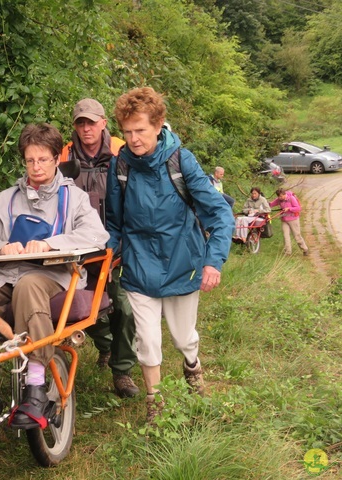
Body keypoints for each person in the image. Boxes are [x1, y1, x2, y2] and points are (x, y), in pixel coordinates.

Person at [0, 123, 109, 432]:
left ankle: (36, 387)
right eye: (29, 160)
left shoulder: (74, 198)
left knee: (28, 285)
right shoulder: (5, 200)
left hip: (51, 273)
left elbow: (96, 235)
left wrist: (52, 244)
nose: (36, 167)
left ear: (56, 159)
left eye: (42, 159)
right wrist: (1, 247)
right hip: (5, 273)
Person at [105, 87, 234, 425]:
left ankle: (192, 366)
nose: (133, 139)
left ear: (159, 125)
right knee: (147, 340)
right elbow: (114, 223)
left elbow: (219, 213)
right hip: (139, 266)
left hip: (183, 264)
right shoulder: (120, 166)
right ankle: (156, 405)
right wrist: (104, 257)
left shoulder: (180, 161)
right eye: (127, 132)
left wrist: (213, 260)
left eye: (140, 131)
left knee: (182, 337)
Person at [59, 98, 139, 398]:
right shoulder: (64, 155)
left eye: (91, 122)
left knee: (123, 308)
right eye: (80, 122)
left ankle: (122, 371)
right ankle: (105, 346)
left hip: (115, 244)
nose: (86, 128)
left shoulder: (122, 151)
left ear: (104, 123)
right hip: (76, 248)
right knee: (80, 308)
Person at [269, 188, 309, 256]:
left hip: (293, 219)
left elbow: (298, 208)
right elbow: (271, 204)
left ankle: (305, 249)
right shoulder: (279, 200)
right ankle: (288, 252)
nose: (280, 198)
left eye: (281, 196)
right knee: (285, 236)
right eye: (279, 196)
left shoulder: (291, 198)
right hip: (284, 220)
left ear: (285, 194)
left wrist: (289, 208)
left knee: (297, 236)